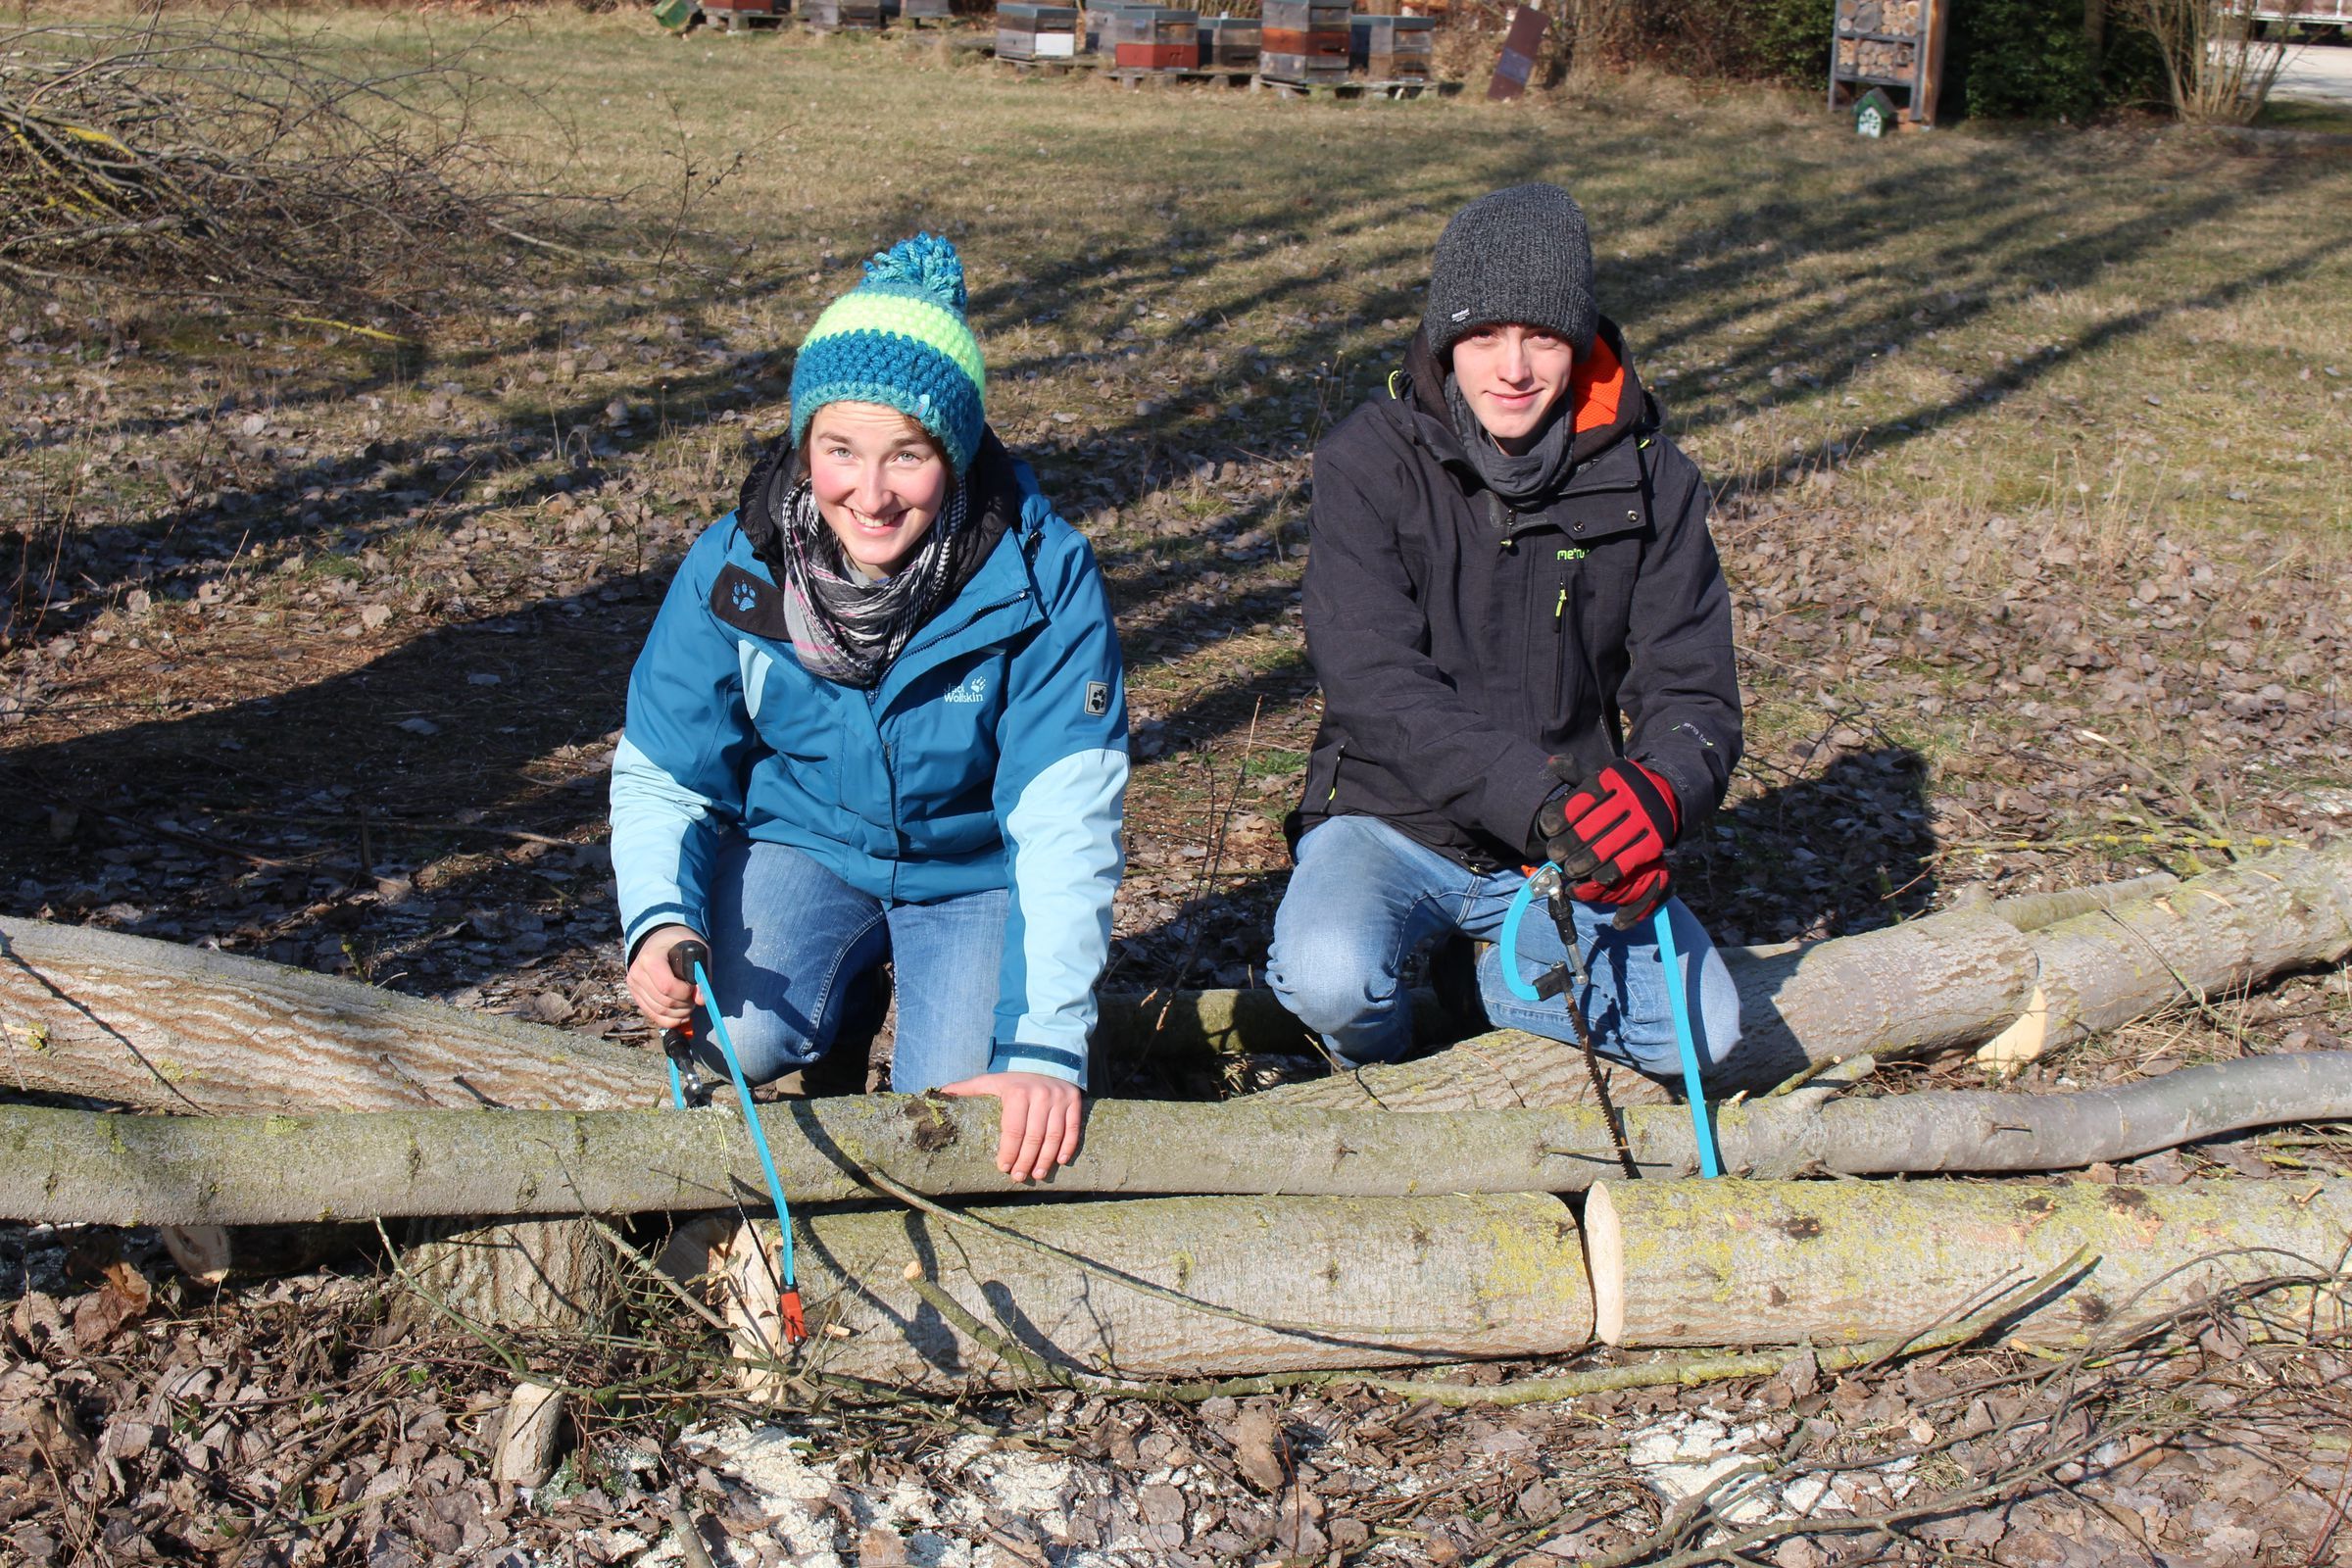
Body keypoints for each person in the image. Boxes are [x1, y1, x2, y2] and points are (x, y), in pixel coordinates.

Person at [610, 234, 1127, 1182]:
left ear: (954, 456)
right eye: (840, 450)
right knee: (734, 1043)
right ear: (805, 443)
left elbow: (1066, 820)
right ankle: (837, 1010)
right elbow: (664, 771)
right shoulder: (736, 566)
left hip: (974, 877)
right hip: (804, 844)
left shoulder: (1044, 576)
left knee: (961, 1128)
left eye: (908, 456)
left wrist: (1047, 1043)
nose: (872, 494)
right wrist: (659, 920)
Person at [1265, 183, 1744, 1083]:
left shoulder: (1656, 479)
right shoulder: (1367, 460)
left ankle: (1474, 989)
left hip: (1567, 843)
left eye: (1543, 338)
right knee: (1330, 980)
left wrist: (1661, 793)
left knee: (1697, 1033)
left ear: (1581, 342)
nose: (1513, 368)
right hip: (1391, 813)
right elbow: (1372, 681)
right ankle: (1386, 1085)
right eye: (1484, 336)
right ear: (1446, 341)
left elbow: (1693, 687)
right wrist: (1538, 799)